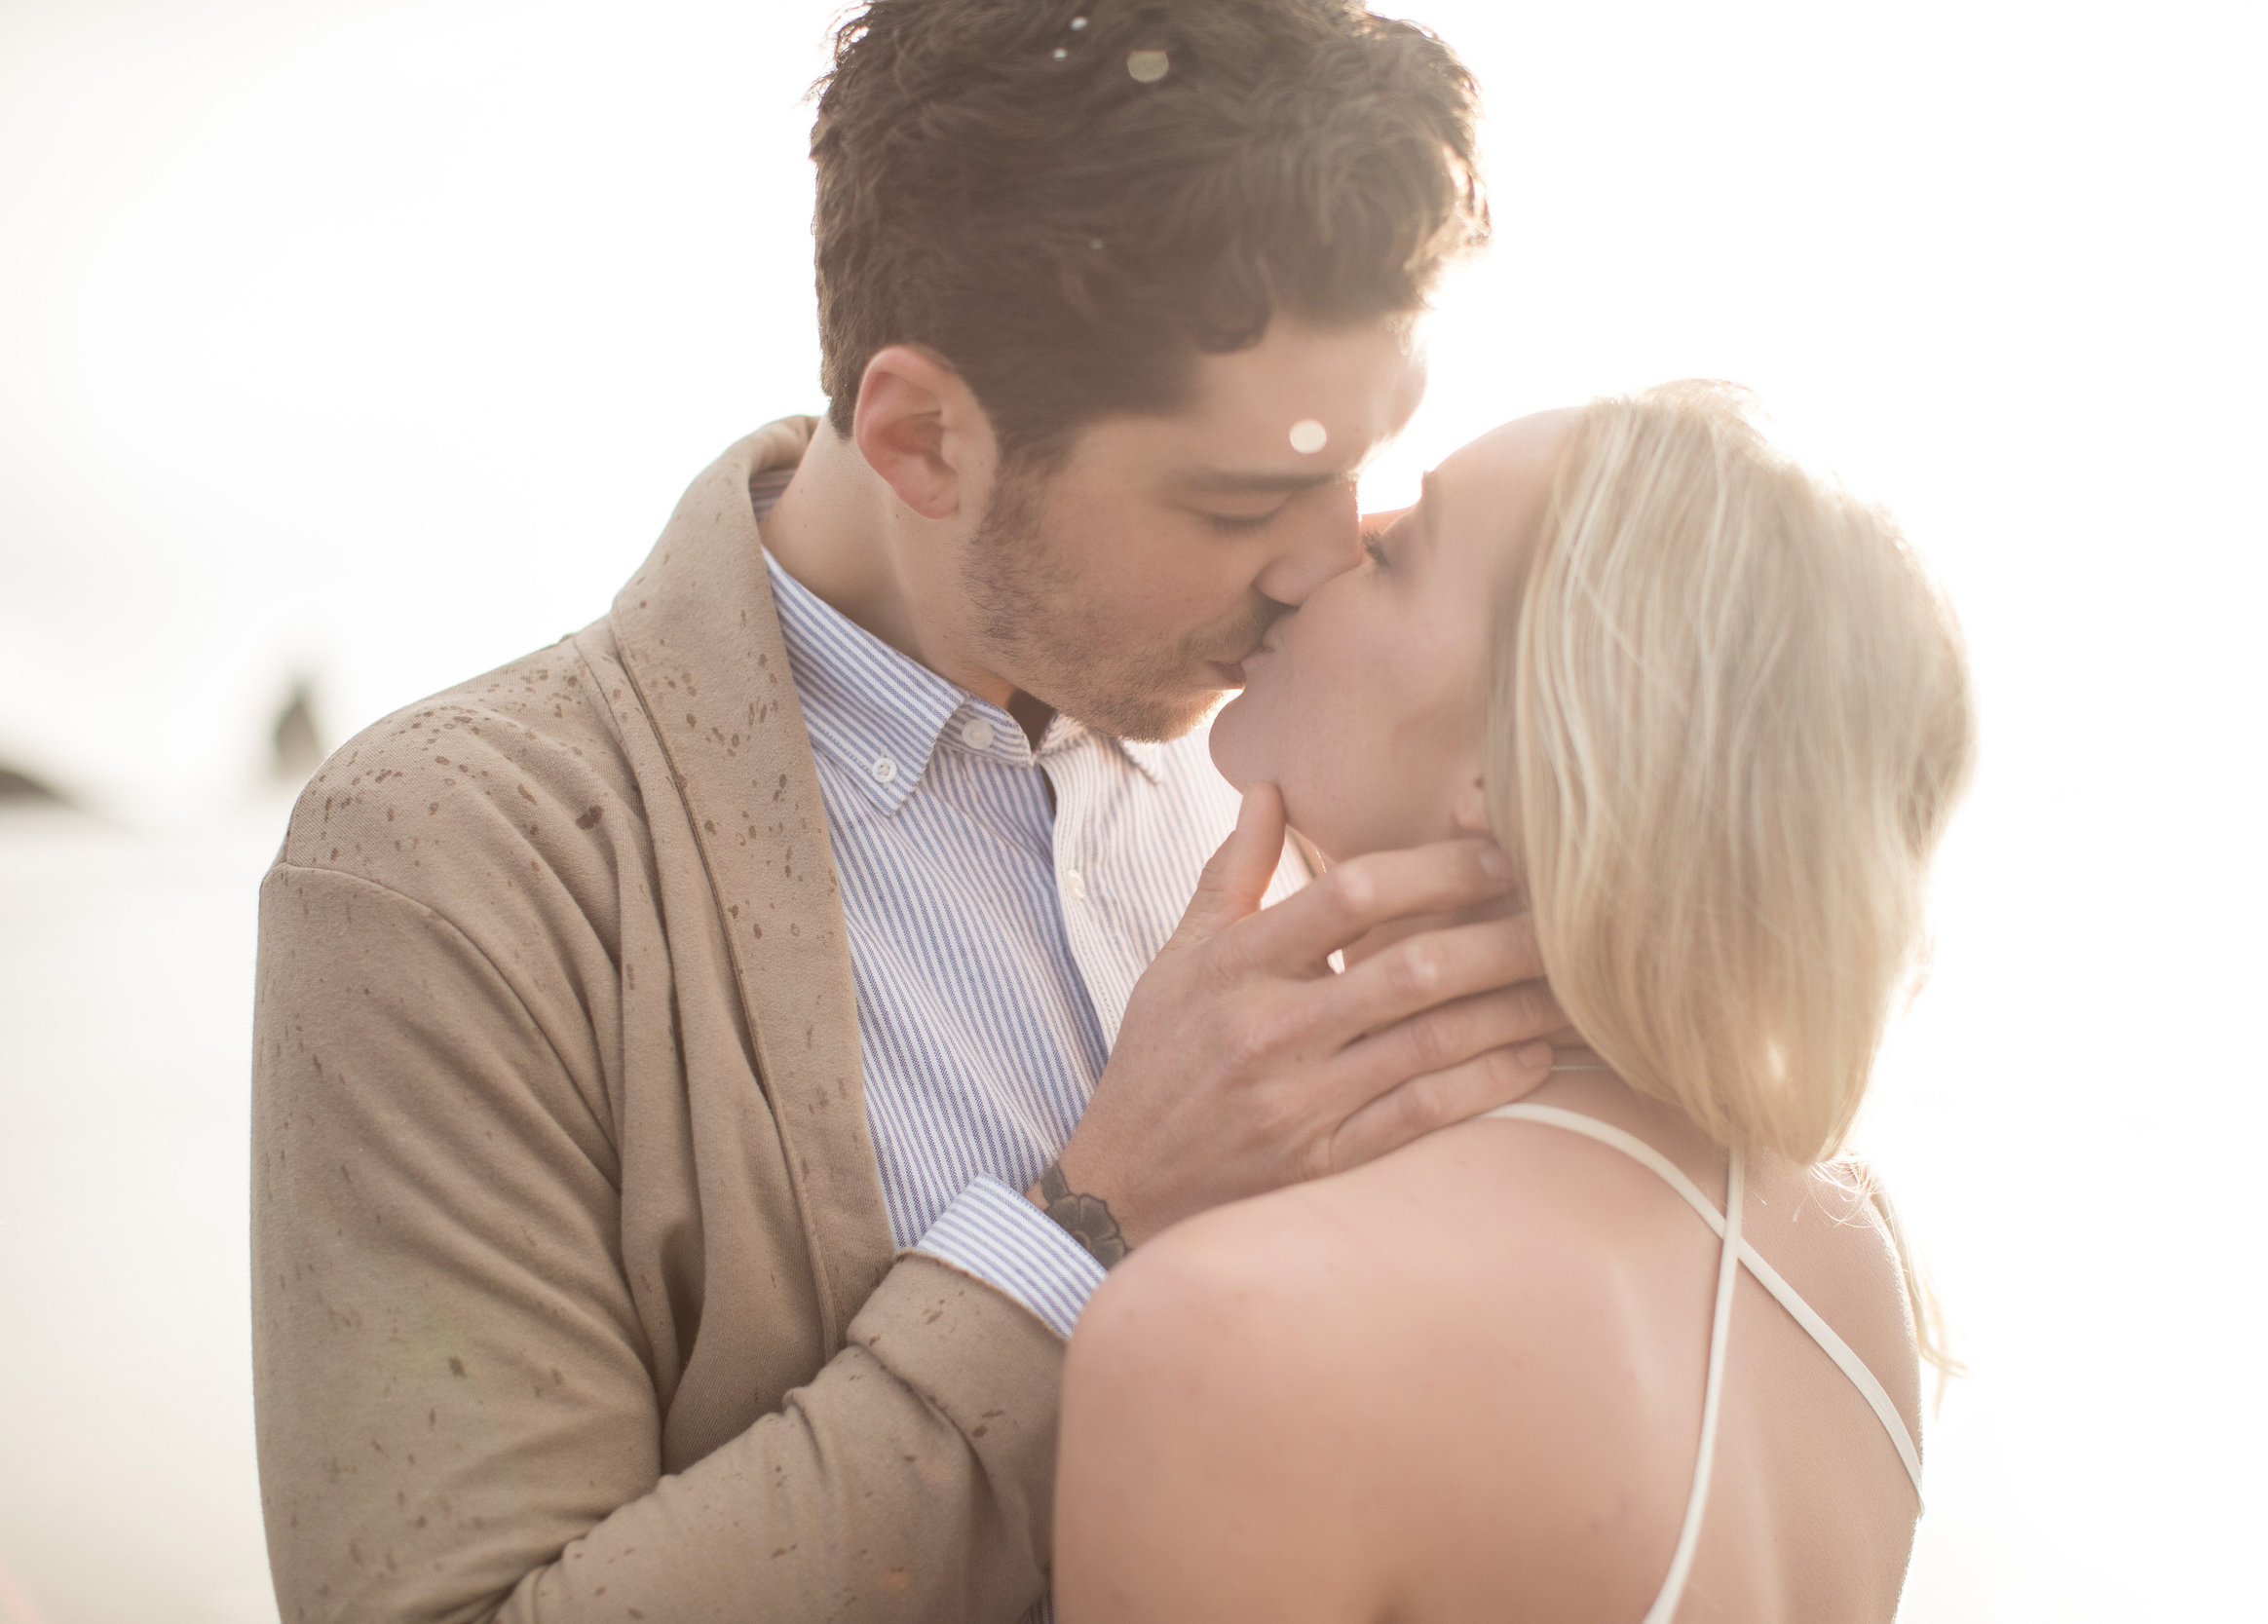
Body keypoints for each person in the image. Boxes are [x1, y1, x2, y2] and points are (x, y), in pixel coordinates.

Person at [247, 4, 1566, 1621]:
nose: (1319, 563)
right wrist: (1090, 1227)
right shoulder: (450, 865)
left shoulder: (1359, 759)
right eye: (1233, 500)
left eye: (1359, 465)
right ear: (921, 437)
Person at [1054, 385, 1979, 1622]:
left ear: (1512, 765)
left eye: (1395, 552)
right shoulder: (1845, 1264)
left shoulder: (1234, 1330)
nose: (1323, 554)